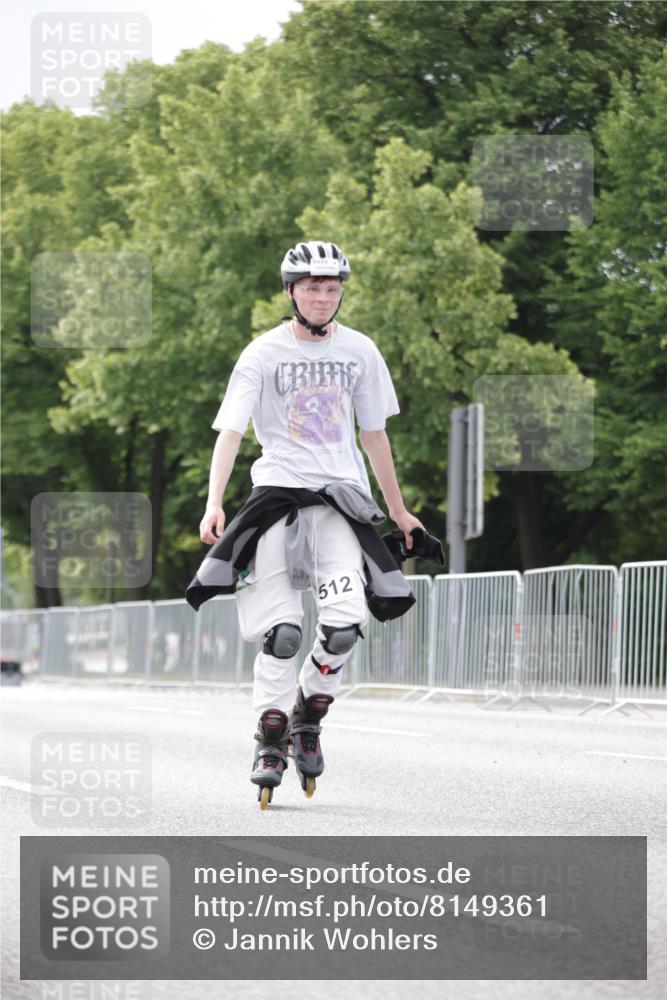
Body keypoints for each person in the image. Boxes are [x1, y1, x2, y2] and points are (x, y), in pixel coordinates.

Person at [195, 241, 425, 808]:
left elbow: (374, 436)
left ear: (340, 292)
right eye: (311, 288)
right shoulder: (262, 353)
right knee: (283, 634)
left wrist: (398, 510)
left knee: (343, 626)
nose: (322, 297)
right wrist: (214, 501)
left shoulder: (360, 351)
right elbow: (231, 431)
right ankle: (270, 735)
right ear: (291, 292)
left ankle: (309, 711)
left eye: (331, 288)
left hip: (342, 502)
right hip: (278, 499)